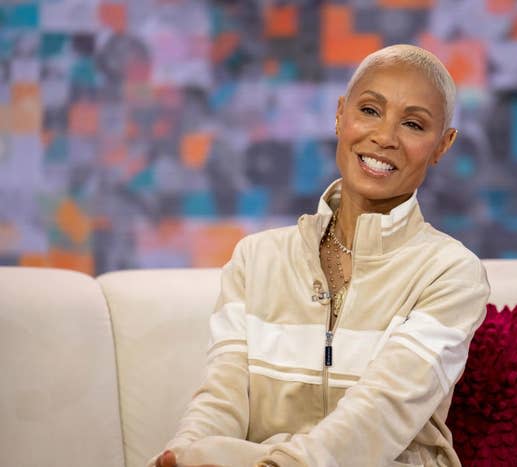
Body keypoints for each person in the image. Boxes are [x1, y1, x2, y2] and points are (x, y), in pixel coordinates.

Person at [150, 44, 490, 467]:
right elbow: (222, 399)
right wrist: (182, 457)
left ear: (443, 144)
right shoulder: (256, 259)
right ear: (340, 114)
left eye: (413, 124)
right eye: (369, 110)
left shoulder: (451, 273)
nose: (384, 137)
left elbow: (380, 416)